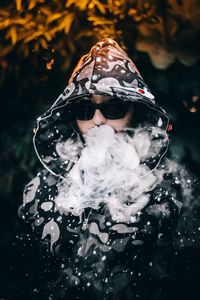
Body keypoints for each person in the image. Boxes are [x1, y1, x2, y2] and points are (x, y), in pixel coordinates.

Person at [11, 38, 200, 300]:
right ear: (71, 115)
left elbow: (187, 279)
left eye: (113, 107)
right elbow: (22, 277)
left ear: (135, 110)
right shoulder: (39, 189)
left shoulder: (173, 188)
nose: (98, 119)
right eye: (84, 108)